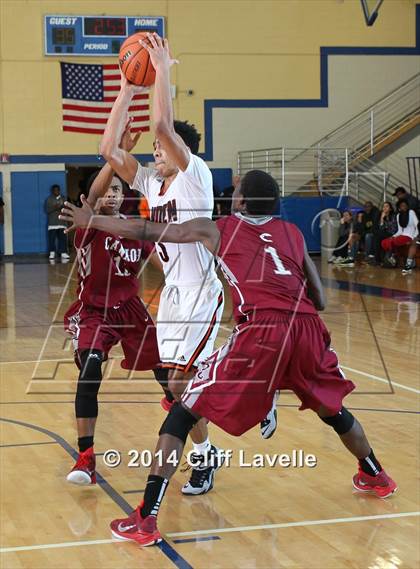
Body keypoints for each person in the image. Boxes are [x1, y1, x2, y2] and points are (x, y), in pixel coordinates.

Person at [61, 169, 397, 547]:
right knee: (332, 409)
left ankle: (145, 519)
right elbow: (319, 298)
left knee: (182, 408)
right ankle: (375, 475)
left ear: (238, 202)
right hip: (307, 327)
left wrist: (92, 220)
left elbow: (150, 231)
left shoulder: (220, 227)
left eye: (235, 192)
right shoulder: (294, 233)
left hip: (261, 330)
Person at [96, 32, 229, 496]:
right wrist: (127, 88)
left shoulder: (195, 175)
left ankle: (232, 403)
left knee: (180, 382)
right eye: (153, 155)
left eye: (160, 153)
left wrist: (163, 70)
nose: (154, 156)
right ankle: (207, 451)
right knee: (176, 391)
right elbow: (108, 152)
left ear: (180, 154)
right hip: (171, 294)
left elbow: (162, 130)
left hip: (201, 293)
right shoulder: (153, 184)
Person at [65, 126, 167, 485]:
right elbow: (92, 196)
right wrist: (115, 156)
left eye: (117, 188)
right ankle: (86, 456)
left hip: (131, 310)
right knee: (90, 372)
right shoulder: (87, 224)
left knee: (167, 374)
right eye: (107, 188)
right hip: (94, 311)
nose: (110, 192)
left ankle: (186, 428)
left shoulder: (134, 229)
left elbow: (164, 262)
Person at [381, 199, 419, 273]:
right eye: (401, 206)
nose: (403, 207)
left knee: (393, 241)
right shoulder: (398, 216)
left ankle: (393, 257)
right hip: (402, 235)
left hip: (411, 236)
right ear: (399, 208)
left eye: (405, 205)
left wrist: (415, 237)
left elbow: (417, 225)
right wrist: (393, 236)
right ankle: (392, 257)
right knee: (384, 241)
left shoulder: (411, 212)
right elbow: (400, 231)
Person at [45, 184, 69, 261]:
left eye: (57, 190)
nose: (56, 191)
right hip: (52, 223)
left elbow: (67, 207)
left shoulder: (64, 198)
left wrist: (61, 207)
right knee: (52, 239)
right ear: (52, 191)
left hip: (62, 222)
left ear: (59, 190)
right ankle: (52, 252)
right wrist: (55, 207)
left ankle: (63, 252)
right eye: (54, 190)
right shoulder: (49, 199)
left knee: (62, 238)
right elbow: (47, 210)